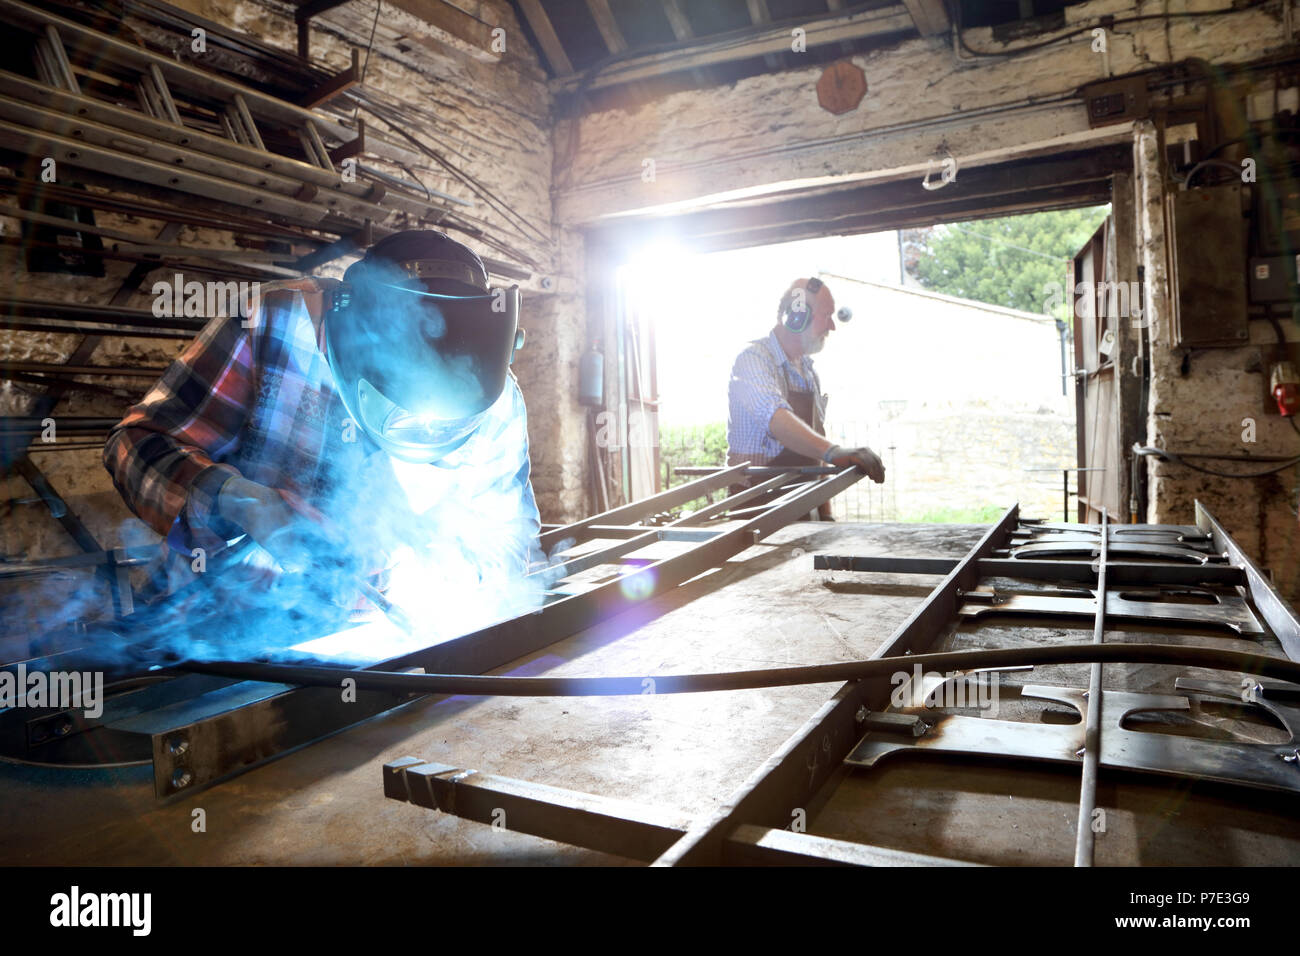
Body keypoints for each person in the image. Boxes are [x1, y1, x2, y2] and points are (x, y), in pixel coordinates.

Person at [103, 230, 541, 618]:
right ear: (348, 332)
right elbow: (133, 445)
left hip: (375, 634)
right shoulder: (271, 319)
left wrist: (433, 568)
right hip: (216, 620)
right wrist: (239, 500)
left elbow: (506, 540)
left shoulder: (496, 399)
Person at [726, 277, 886, 503]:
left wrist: (825, 514)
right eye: (826, 316)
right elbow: (775, 418)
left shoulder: (808, 372)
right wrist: (835, 452)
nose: (831, 326)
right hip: (756, 505)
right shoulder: (754, 359)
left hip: (801, 501)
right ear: (797, 318)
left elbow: (815, 445)